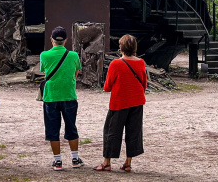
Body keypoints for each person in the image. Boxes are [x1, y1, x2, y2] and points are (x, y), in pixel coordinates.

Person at [94, 34, 147, 172]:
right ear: (134, 48)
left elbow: (107, 87)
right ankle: (128, 163)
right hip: (137, 101)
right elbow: (144, 85)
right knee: (133, 131)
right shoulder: (141, 62)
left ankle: (107, 163)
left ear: (121, 48)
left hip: (119, 102)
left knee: (111, 131)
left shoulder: (116, 64)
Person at [40, 26, 84, 170]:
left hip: (51, 96)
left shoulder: (44, 55)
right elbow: (76, 73)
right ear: (66, 40)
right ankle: (75, 159)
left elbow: (44, 70)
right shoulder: (74, 55)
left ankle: (58, 161)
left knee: (53, 129)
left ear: (51, 40)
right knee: (71, 127)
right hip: (69, 95)